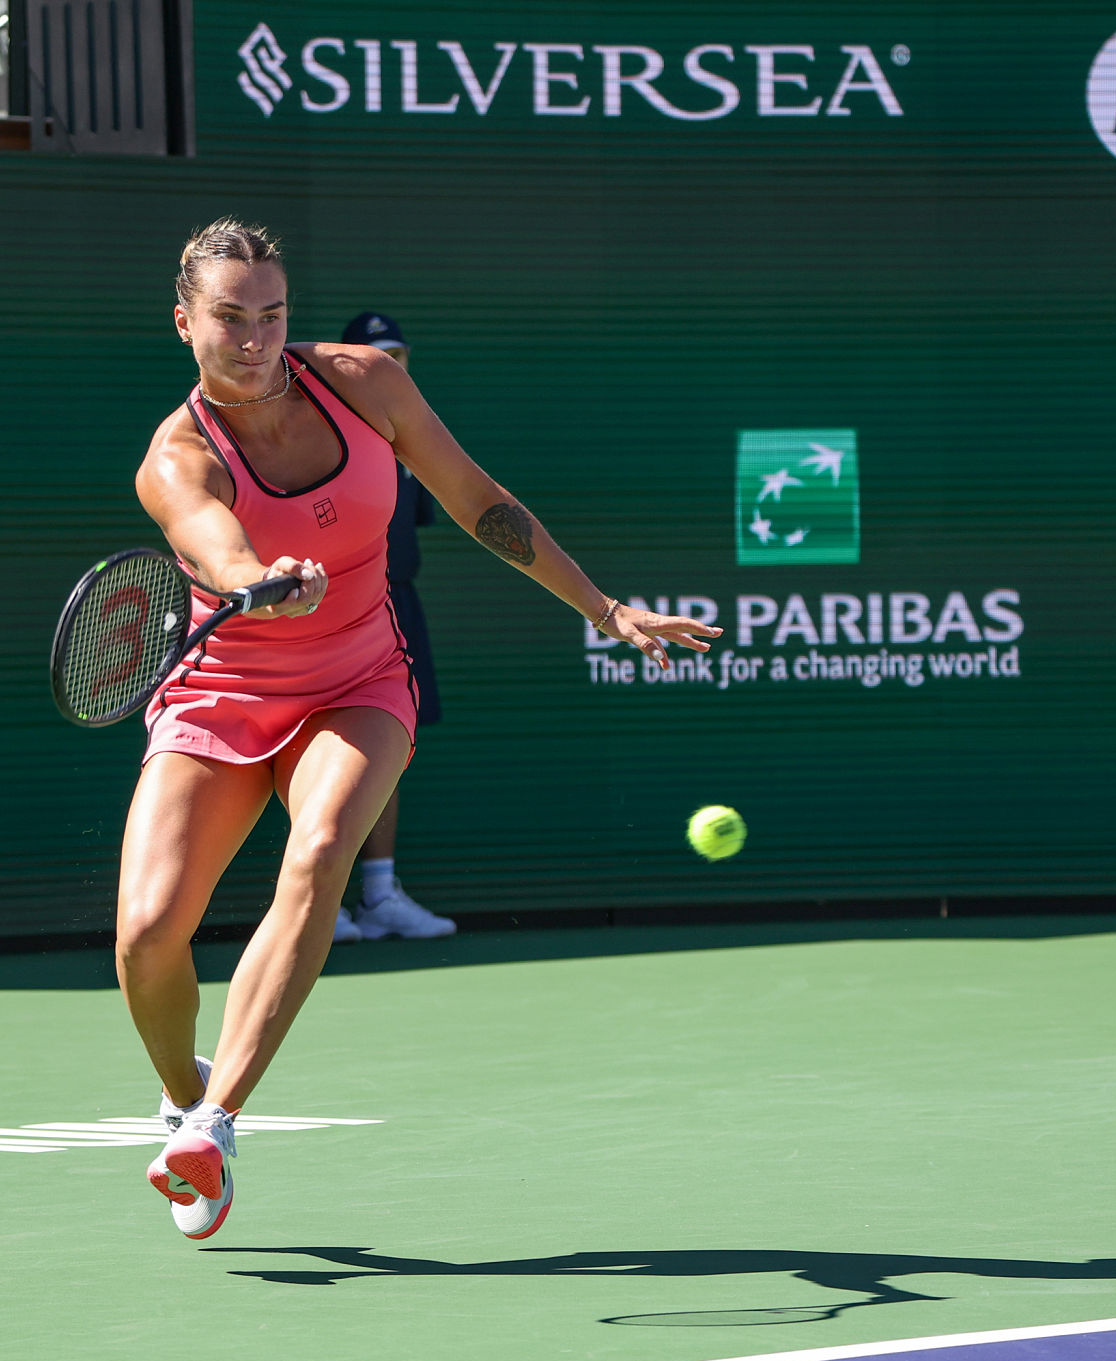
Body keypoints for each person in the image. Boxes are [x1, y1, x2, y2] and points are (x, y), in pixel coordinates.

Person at [120, 219, 719, 1240]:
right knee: (143, 936)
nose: (256, 340)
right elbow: (212, 546)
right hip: (220, 691)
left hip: (356, 676)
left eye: (271, 315)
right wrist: (252, 582)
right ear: (184, 324)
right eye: (229, 320)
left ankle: (212, 1127)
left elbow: (476, 498)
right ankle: (184, 1089)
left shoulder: (364, 384)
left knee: (315, 856)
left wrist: (603, 609)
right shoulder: (175, 458)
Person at [332, 310, 452, 943]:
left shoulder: (410, 444)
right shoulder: (322, 442)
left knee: (393, 751)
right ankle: (320, 902)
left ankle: (378, 895)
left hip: (399, 603)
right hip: (337, 610)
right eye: (379, 357)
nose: (393, 369)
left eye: (400, 356)